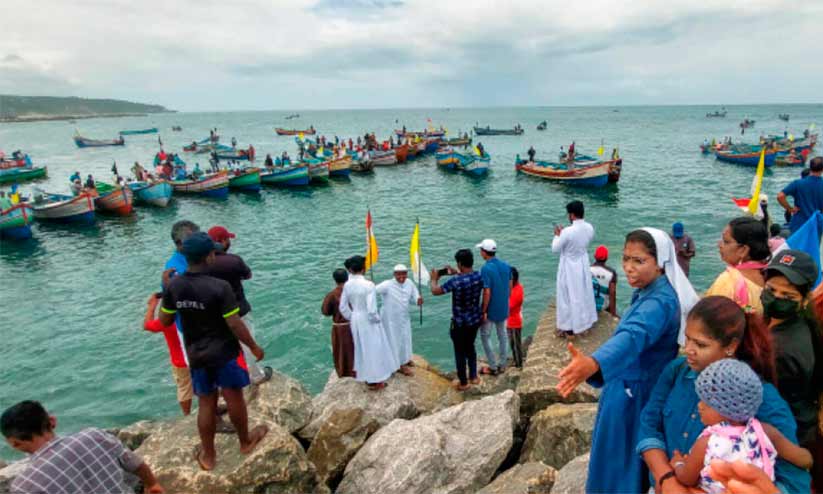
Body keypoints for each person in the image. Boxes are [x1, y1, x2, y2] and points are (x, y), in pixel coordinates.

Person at [556, 228, 698, 493]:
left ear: (660, 263)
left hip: (636, 395)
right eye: (626, 259)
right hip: (630, 384)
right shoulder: (652, 291)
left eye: (639, 261)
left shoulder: (659, 302)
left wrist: (594, 363)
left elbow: (633, 336)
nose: (629, 268)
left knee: (619, 460)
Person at [637, 295, 811, 494]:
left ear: (731, 346)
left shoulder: (760, 397)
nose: (689, 350)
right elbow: (649, 425)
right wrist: (667, 480)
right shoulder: (677, 371)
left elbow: (794, 482)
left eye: (701, 345)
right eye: (687, 339)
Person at [159, 232, 268, 471]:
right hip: (224, 352)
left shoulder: (174, 286)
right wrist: (253, 346)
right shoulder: (220, 287)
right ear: (209, 256)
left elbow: (165, 320)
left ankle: (208, 456)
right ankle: (245, 442)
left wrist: (168, 290)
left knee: (206, 402)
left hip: (196, 353)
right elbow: (235, 323)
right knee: (233, 396)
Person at [669, 358, 812, 493]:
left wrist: (678, 464)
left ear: (727, 411)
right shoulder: (764, 431)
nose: (699, 406)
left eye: (707, 403)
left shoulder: (708, 442)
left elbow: (687, 479)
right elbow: (805, 460)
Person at [1, 400, 165, 494]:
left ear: (14, 443)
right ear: (52, 421)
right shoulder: (94, 436)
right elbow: (136, 464)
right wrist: (152, 484)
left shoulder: (25, 485)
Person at [762, 251, 822, 462]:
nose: (777, 298)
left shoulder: (783, 349)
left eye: (788, 296)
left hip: (786, 439)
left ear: (805, 299)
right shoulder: (794, 324)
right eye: (771, 289)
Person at [207, 226, 273, 385]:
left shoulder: (202, 264)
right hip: (238, 310)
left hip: (214, 315)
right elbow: (248, 275)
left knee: (222, 349)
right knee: (246, 342)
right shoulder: (233, 260)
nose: (229, 241)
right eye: (228, 239)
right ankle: (256, 376)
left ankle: (224, 382)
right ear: (222, 241)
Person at [339, 255, 399, 390]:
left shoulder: (347, 285)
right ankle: (375, 380)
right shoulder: (369, 285)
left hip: (355, 318)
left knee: (361, 348)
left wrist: (353, 317)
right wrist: (377, 320)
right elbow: (372, 310)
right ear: (363, 268)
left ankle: (365, 376)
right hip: (367, 318)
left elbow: (343, 307)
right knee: (373, 348)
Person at [430, 248, 484, 391]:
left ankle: (464, 382)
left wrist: (434, 279)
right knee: (470, 347)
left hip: (460, 323)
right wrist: (456, 272)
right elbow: (468, 277)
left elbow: (435, 291)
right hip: (474, 320)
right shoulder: (479, 276)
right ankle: (473, 376)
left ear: (459, 263)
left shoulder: (456, 281)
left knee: (459, 352)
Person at [705, 217, 771, 314]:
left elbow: (712, 319)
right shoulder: (772, 277)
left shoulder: (728, 281)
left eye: (726, 241)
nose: (719, 245)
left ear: (743, 250)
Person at [551, 201, 597, 336]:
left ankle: (568, 326)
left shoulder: (567, 232)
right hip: (582, 262)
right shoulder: (589, 227)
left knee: (566, 296)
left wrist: (557, 235)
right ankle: (585, 321)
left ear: (571, 215)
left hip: (569, 266)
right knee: (583, 293)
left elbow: (555, 249)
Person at [144, 293, 192, 415]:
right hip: (197, 356)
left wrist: (152, 305)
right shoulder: (190, 314)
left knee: (184, 389)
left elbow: (147, 325)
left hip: (180, 362)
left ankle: (187, 415)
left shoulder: (166, 321)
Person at [376, 264, 422, 376]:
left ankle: (405, 359)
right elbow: (372, 290)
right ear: (394, 274)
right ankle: (398, 365)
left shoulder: (409, 283)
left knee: (405, 338)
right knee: (395, 341)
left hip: (404, 317)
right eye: (399, 274)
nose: (401, 276)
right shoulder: (387, 285)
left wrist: (418, 300)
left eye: (404, 273)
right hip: (390, 320)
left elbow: (415, 294)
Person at [476, 239, 511, 375]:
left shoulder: (485, 268)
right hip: (503, 306)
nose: (480, 252)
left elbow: (487, 291)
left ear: (485, 252)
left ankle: (493, 366)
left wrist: (483, 310)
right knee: (502, 335)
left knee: (485, 335)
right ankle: (502, 364)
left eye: (481, 250)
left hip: (491, 308)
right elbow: (510, 286)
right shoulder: (506, 265)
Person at [322, 268, 355, 378]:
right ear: (347, 278)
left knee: (341, 350)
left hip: (340, 327)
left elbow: (325, 311)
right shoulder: (354, 290)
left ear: (335, 280)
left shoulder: (332, 295)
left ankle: (344, 371)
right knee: (355, 347)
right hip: (356, 323)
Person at [777, 156, 823, 234]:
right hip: (816, 224)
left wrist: (790, 209)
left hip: (799, 223)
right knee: (813, 246)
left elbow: (780, 196)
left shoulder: (798, 183)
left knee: (796, 246)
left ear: (810, 167)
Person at [590, 245, 618, 317]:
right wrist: (613, 314)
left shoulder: (587, 269)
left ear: (595, 256)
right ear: (606, 258)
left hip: (588, 305)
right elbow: (612, 293)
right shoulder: (611, 273)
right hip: (603, 307)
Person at [507, 267, 524, 368]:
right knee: (512, 344)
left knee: (516, 345)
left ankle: (519, 364)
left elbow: (508, 306)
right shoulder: (513, 288)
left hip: (515, 322)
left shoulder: (517, 291)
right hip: (510, 321)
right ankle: (516, 361)